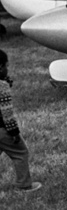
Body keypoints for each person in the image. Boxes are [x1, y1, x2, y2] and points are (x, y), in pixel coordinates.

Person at [0, 50, 39, 193]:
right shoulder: (1, 87)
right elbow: (6, 113)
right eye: (6, 66)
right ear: (0, 67)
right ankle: (24, 185)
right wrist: (14, 132)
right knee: (20, 153)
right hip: (3, 130)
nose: (7, 69)